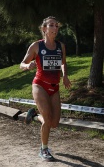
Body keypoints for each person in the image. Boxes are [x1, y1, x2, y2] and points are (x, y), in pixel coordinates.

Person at [20, 16, 71, 161]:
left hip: (54, 87)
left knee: (54, 123)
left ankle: (34, 116)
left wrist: (65, 75)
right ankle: (44, 149)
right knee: (48, 119)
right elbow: (22, 63)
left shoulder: (61, 46)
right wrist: (27, 66)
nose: (55, 28)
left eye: (57, 25)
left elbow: (63, 63)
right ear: (44, 29)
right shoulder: (36, 46)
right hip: (40, 85)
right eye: (52, 25)